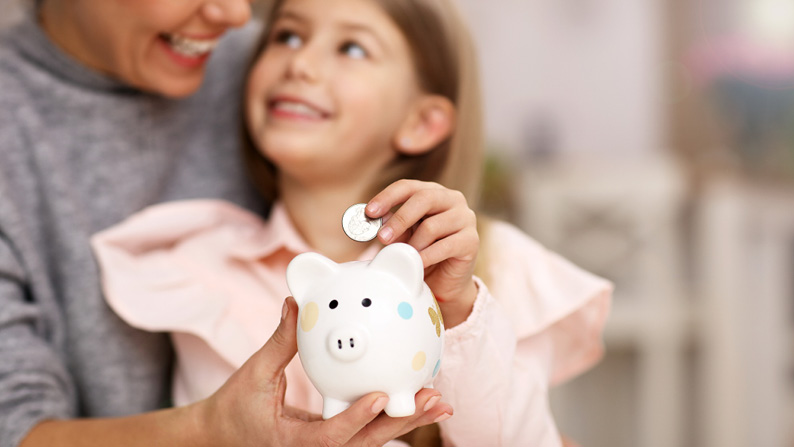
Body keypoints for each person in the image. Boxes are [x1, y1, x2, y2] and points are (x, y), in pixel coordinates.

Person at [92, 0, 613, 445]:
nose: (301, 64)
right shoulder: (200, 266)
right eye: (288, 35)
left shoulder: (493, 269)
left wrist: (455, 314)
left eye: (353, 48)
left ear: (421, 123)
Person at [0, 0, 445, 446]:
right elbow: (14, 428)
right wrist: (210, 432)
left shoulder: (269, 69)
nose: (235, 14)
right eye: (288, 37)